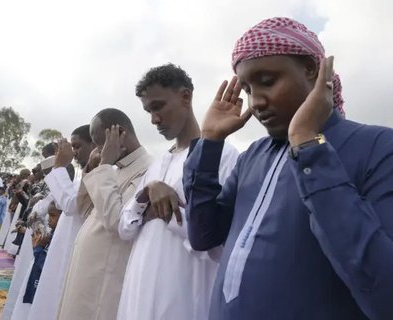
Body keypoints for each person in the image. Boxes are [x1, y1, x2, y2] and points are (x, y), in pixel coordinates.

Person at [183, 17, 393, 320]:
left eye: (268, 81)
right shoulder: (254, 156)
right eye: (247, 88)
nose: (256, 101)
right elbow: (202, 235)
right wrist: (209, 143)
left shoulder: (379, 147)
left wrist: (309, 146)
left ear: (313, 71)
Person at [117, 64, 239, 320]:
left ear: (186, 96)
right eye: (148, 110)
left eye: (158, 106)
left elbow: (215, 241)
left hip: (184, 292)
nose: (154, 119)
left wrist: (164, 213)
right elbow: (126, 227)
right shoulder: (158, 163)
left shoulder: (223, 157)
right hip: (139, 288)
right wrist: (146, 194)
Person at [57, 108, 152, 320]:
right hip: (87, 270)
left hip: (104, 276)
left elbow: (117, 220)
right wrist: (92, 169)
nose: (98, 150)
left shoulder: (147, 170)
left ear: (120, 134)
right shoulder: (112, 170)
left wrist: (105, 165)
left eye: (101, 143)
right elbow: (83, 209)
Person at [28, 125, 96, 320]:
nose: (73, 154)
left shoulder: (103, 174)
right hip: (63, 247)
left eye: (77, 146)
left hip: (77, 253)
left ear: (95, 144)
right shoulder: (83, 176)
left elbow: (72, 205)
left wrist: (58, 167)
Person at [23, 201, 62, 304]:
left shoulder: (60, 238)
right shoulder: (52, 234)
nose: (49, 220)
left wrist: (38, 248)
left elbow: (46, 265)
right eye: (48, 215)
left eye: (53, 216)